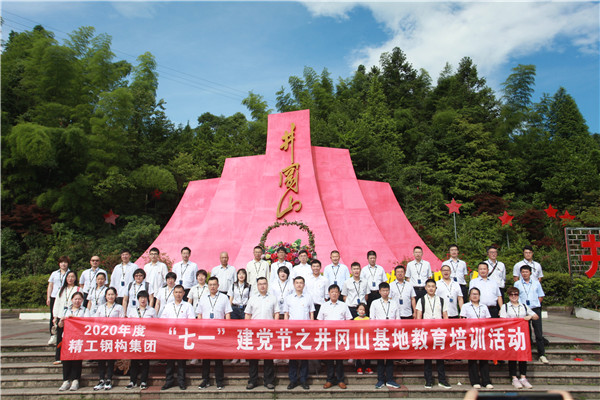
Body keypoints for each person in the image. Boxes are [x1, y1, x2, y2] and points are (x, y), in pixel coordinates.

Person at [197, 277, 232, 390]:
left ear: (218, 286)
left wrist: (227, 328)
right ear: (208, 286)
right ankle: (205, 380)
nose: (212, 287)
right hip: (206, 331)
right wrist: (199, 328)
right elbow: (199, 314)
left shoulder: (224, 298)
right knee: (205, 357)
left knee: (218, 357)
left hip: (219, 331)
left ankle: (219, 381)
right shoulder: (203, 298)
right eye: (210, 284)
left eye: (214, 284)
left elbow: (227, 314)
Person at [415, 279, 451, 389]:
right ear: (425, 288)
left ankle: (442, 380)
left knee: (440, 357)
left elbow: (445, 316)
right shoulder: (421, 300)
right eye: (429, 286)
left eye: (433, 286)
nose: (431, 288)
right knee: (428, 357)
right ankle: (428, 380)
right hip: (427, 332)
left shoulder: (441, 300)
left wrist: (447, 331)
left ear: (436, 288)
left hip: (439, 332)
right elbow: (419, 316)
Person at [500, 287, 538, 389]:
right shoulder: (505, 306)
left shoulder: (524, 306)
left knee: (523, 356)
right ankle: (514, 377)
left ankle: (523, 377)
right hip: (511, 334)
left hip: (522, 335)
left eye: (516, 294)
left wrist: (530, 317)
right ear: (509, 296)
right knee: (512, 356)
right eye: (511, 294)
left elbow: (536, 316)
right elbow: (502, 320)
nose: (514, 296)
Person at [245, 277, 279, 390]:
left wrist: (275, 327)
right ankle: (252, 380)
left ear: (267, 285)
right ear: (257, 286)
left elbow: (276, 313)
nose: (262, 286)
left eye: (264, 284)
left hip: (268, 332)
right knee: (253, 357)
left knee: (268, 357)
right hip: (254, 332)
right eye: (260, 284)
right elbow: (247, 314)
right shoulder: (252, 298)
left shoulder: (273, 298)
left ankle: (269, 381)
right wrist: (247, 329)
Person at [160, 285, 196, 390]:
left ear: (184, 293)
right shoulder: (168, 306)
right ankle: (169, 381)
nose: (178, 294)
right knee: (169, 361)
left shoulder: (188, 306)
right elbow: (163, 320)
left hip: (182, 336)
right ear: (173, 293)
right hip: (170, 336)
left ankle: (181, 382)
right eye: (176, 292)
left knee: (181, 361)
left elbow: (192, 320)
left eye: (180, 292)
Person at [317, 284, 352, 389]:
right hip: (328, 336)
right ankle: (330, 380)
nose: (334, 294)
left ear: (339, 293)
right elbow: (320, 321)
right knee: (329, 359)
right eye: (332, 292)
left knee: (340, 360)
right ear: (328, 293)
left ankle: (340, 380)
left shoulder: (344, 305)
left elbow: (349, 320)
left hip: (340, 336)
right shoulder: (324, 306)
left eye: (336, 292)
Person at [514, 265, 549, 364]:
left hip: (535, 309)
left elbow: (541, 296)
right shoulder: (517, 284)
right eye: (523, 272)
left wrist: (535, 305)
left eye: (526, 272)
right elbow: (515, 296)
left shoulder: (536, 283)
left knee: (538, 332)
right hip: (523, 310)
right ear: (521, 273)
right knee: (526, 332)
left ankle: (541, 354)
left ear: (530, 273)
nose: (525, 274)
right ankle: (527, 353)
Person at [284, 276, 314, 390]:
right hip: (292, 331)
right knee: (292, 356)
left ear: (304, 285)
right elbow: (286, 314)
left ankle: (303, 380)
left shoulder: (308, 297)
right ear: (294, 284)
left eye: (301, 283)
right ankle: (293, 380)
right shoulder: (289, 298)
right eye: (297, 283)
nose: (299, 285)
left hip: (305, 331)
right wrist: (286, 328)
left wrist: (311, 328)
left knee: (304, 356)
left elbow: (311, 313)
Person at [460, 287, 493, 389]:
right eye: (473, 294)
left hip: (483, 335)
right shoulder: (465, 306)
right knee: (472, 359)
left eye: (476, 294)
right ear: (469, 296)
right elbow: (462, 320)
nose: (474, 296)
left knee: (484, 358)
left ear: (479, 296)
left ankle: (486, 381)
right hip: (471, 335)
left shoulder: (484, 307)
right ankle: (475, 381)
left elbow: (489, 320)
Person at [93, 287, 125, 391]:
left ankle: (109, 379)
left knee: (111, 358)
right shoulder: (101, 307)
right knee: (101, 358)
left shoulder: (119, 307)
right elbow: (96, 321)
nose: (110, 296)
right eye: (108, 295)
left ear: (116, 295)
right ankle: (101, 379)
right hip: (102, 336)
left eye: (112, 294)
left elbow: (122, 321)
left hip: (113, 336)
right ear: (105, 296)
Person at [58, 292, 90, 391]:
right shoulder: (66, 310)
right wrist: (62, 321)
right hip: (67, 338)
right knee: (66, 359)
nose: (77, 301)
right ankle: (66, 380)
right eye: (75, 299)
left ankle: (76, 380)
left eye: (79, 299)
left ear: (82, 300)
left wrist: (75, 319)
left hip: (78, 338)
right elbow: (60, 325)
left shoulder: (85, 310)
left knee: (77, 360)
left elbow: (87, 323)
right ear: (72, 300)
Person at [371, 282, 401, 389]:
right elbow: (372, 318)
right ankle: (380, 380)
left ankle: (390, 379)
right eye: (383, 290)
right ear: (379, 291)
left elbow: (398, 318)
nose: (385, 292)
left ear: (389, 291)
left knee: (390, 357)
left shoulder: (394, 303)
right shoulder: (375, 303)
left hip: (391, 333)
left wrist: (397, 331)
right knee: (380, 357)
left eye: (387, 290)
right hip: (379, 333)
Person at [126, 290, 156, 390]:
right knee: (134, 361)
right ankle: (132, 381)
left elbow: (156, 324)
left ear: (148, 299)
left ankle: (143, 381)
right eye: (141, 298)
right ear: (138, 299)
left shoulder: (151, 311)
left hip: (147, 338)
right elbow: (128, 324)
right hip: (135, 338)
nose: (143, 300)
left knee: (145, 361)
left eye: (145, 298)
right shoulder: (132, 311)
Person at [53, 271, 81, 365]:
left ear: (75, 278)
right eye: (69, 277)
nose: (70, 279)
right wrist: (55, 316)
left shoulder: (78, 289)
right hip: (61, 316)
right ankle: (58, 357)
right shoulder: (62, 289)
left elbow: (80, 301)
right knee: (60, 337)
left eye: (72, 277)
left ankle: (69, 356)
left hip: (72, 317)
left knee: (71, 338)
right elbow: (57, 303)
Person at [47, 256, 70, 345]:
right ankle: (53, 335)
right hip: (54, 296)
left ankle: (63, 334)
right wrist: (48, 297)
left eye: (65, 262)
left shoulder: (69, 273)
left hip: (65, 297)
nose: (63, 264)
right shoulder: (54, 273)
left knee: (64, 316)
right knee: (53, 316)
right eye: (61, 262)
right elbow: (50, 285)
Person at [353, 303, 371, 374]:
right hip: (358, 339)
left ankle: (367, 367)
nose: (362, 311)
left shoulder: (368, 319)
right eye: (360, 309)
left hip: (366, 338)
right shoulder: (355, 319)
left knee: (368, 354)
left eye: (363, 310)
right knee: (358, 353)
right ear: (357, 310)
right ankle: (359, 367)